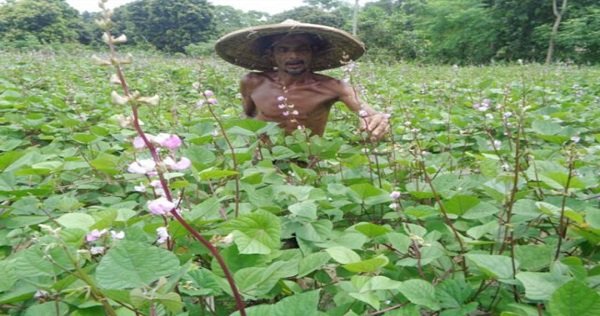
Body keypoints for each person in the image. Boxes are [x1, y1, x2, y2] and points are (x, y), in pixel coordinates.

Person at [215, 19, 389, 141]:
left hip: (307, 165)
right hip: (262, 162)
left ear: (312, 53)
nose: (293, 56)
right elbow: (248, 115)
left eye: (302, 49)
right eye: (283, 49)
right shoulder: (252, 81)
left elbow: (368, 112)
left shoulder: (334, 87)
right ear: (271, 55)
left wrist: (376, 121)